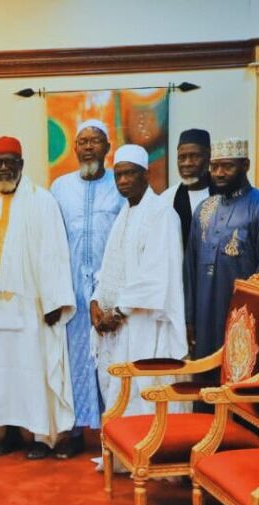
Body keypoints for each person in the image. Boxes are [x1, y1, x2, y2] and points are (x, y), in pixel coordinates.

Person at [0, 137, 76, 459]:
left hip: (30, 303)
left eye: (9, 162)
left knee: (33, 370)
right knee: (0, 371)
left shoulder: (41, 201)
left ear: (21, 163)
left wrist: (53, 301)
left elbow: (54, 252)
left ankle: (41, 437)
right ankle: (9, 434)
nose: (3, 168)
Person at [91, 145, 188, 418]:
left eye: (130, 174)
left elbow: (156, 277)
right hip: (118, 324)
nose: (123, 181)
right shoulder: (125, 213)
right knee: (119, 387)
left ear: (146, 175)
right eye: (118, 175)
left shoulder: (162, 214)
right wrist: (96, 301)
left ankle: (151, 451)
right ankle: (122, 453)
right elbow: (109, 266)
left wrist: (118, 311)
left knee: (144, 389)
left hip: (145, 323)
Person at [50, 119, 125, 457]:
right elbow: (49, 241)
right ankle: (77, 430)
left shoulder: (120, 185)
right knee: (77, 361)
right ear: (76, 148)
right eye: (82, 142)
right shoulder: (60, 187)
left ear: (107, 148)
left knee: (113, 360)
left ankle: (118, 434)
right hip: (73, 290)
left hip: (112, 289)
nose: (88, 147)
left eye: (95, 141)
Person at [184, 137, 259, 364]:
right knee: (204, 384)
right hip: (204, 319)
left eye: (227, 166)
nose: (219, 173)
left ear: (245, 166)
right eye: (214, 167)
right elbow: (189, 269)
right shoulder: (204, 210)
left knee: (237, 385)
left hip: (245, 322)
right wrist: (188, 319)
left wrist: (256, 324)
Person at [159, 129, 211, 248]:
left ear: (208, 158)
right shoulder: (167, 199)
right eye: (182, 157)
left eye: (194, 156)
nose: (187, 163)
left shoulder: (224, 196)